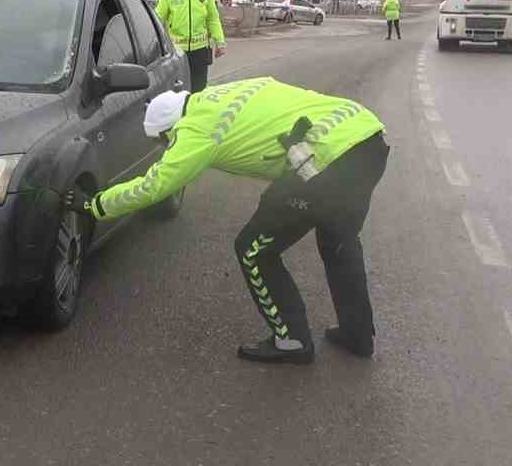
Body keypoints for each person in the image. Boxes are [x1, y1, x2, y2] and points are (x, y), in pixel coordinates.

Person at [71, 78, 389, 364]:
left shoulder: (195, 130)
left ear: (170, 129)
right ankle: (357, 335)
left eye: (164, 142)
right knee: (338, 240)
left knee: (253, 249)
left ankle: (291, 341)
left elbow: (154, 186)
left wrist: (95, 206)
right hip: (366, 138)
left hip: (327, 161)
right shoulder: (220, 94)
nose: (166, 148)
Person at [154, 0, 226, 92]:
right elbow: (158, 19)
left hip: (200, 50)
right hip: (177, 52)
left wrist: (220, 42)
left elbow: (213, 18)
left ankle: (197, 112)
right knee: (179, 91)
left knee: (199, 90)